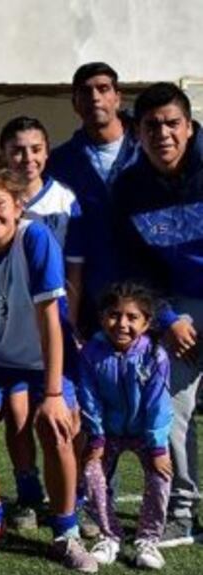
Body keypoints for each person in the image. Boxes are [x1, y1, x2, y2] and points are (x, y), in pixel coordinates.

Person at [0, 168, 97, 573]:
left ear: (18, 206)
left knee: (56, 429)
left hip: (47, 362)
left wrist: (53, 394)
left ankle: (65, 532)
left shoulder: (36, 238)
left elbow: (51, 318)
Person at [114, 82, 203, 547]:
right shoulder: (129, 188)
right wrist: (169, 319)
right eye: (152, 126)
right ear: (138, 131)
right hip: (180, 308)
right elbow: (136, 268)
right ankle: (181, 513)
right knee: (169, 409)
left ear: (189, 127)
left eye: (172, 123)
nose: (163, 133)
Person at [0, 115, 85, 529]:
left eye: (35, 149)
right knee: (17, 416)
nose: (27, 158)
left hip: (55, 326)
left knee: (65, 418)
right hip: (10, 326)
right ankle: (28, 492)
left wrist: (77, 324)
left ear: (47, 153)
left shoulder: (64, 201)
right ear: (4, 155)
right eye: (17, 149)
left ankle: (77, 499)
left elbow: (75, 271)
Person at [80, 282, 173, 570]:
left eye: (132, 318)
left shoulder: (155, 355)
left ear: (146, 323)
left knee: (161, 477)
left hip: (146, 434)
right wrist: (96, 438)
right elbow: (89, 397)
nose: (121, 324)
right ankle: (110, 536)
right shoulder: (91, 354)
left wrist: (158, 446)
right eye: (113, 315)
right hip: (108, 434)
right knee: (91, 473)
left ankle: (148, 539)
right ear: (101, 317)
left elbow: (158, 403)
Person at [47, 62, 140, 338]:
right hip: (88, 298)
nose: (95, 98)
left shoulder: (147, 150)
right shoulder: (60, 163)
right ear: (75, 103)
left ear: (118, 97)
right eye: (86, 92)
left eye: (103, 89)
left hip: (149, 293)